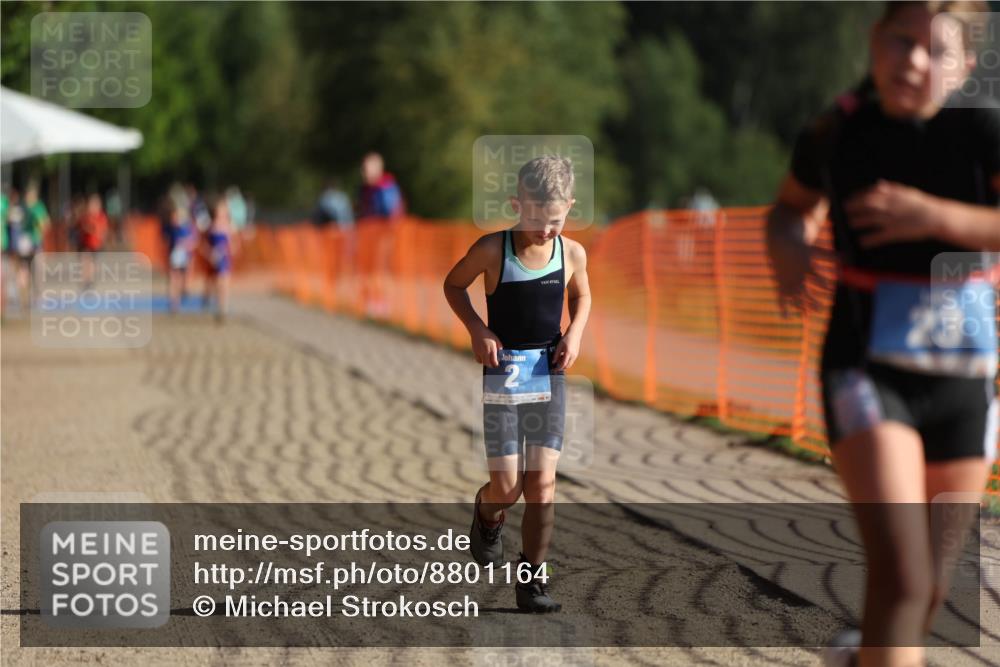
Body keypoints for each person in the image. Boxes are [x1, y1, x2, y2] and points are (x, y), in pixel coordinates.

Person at [766, 3, 998, 666]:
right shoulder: (837, 129)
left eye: (936, 50)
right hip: (866, 369)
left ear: (965, 67)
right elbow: (790, 208)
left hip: (964, 383)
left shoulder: (982, 129)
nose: (914, 61)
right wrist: (789, 246)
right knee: (901, 574)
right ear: (874, 40)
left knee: (929, 589)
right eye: (901, 41)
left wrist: (933, 215)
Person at [443, 156, 592, 613]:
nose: (545, 230)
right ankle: (487, 513)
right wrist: (478, 329)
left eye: (555, 221)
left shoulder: (572, 253)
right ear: (516, 204)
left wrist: (574, 334)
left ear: (570, 207)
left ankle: (532, 581)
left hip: (550, 374)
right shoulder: (493, 249)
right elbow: (453, 285)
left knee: (542, 485)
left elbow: (582, 294)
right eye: (535, 218)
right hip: (504, 378)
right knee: (507, 489)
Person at [201, 198, 235, 323]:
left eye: (224, 211)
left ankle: (223, 310)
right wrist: (209, 254)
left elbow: (233, 243)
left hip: (225, 258)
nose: (222, 213)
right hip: (213, 259)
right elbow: (203, 244)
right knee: (213, 283)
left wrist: (231, 250)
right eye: (220, 210)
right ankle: (208, 300)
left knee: (224, 284)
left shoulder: (229, 225)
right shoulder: (211, 226)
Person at [165, 199, 196, 314]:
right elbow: (167, 241)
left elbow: (193, 242)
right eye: (174, 216)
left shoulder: (188, 228)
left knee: (184, 278)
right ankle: (174, 303)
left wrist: (186, 244)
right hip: (174, 256)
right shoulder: (170, 228)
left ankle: (184, 291)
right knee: (173, 278)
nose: (175, 219)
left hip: (186, 256)